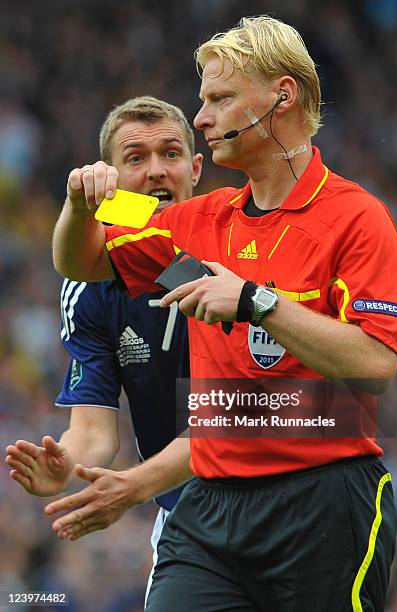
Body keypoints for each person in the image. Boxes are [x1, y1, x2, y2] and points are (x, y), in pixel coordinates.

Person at [51, 16, 397, 612]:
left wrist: (256, 302)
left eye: (219, 98)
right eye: (203, 100)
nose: (201, 118)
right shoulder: (198, 218)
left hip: (321, 504)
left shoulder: (357, 216)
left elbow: (375, 366)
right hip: (208, 513)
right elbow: (81, 262)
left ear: (282, 97)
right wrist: (79, 202)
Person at [5, 95, 202, 600]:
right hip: (187, 516)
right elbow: (94, 431)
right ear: (107, 179)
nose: (156, 171)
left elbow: (238, 419)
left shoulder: (233, 250)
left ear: (196, 169)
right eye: (136, 159)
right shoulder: (90, 286)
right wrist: (66, 463)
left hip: (278, 501)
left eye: (171, 154)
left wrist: (135, 486)